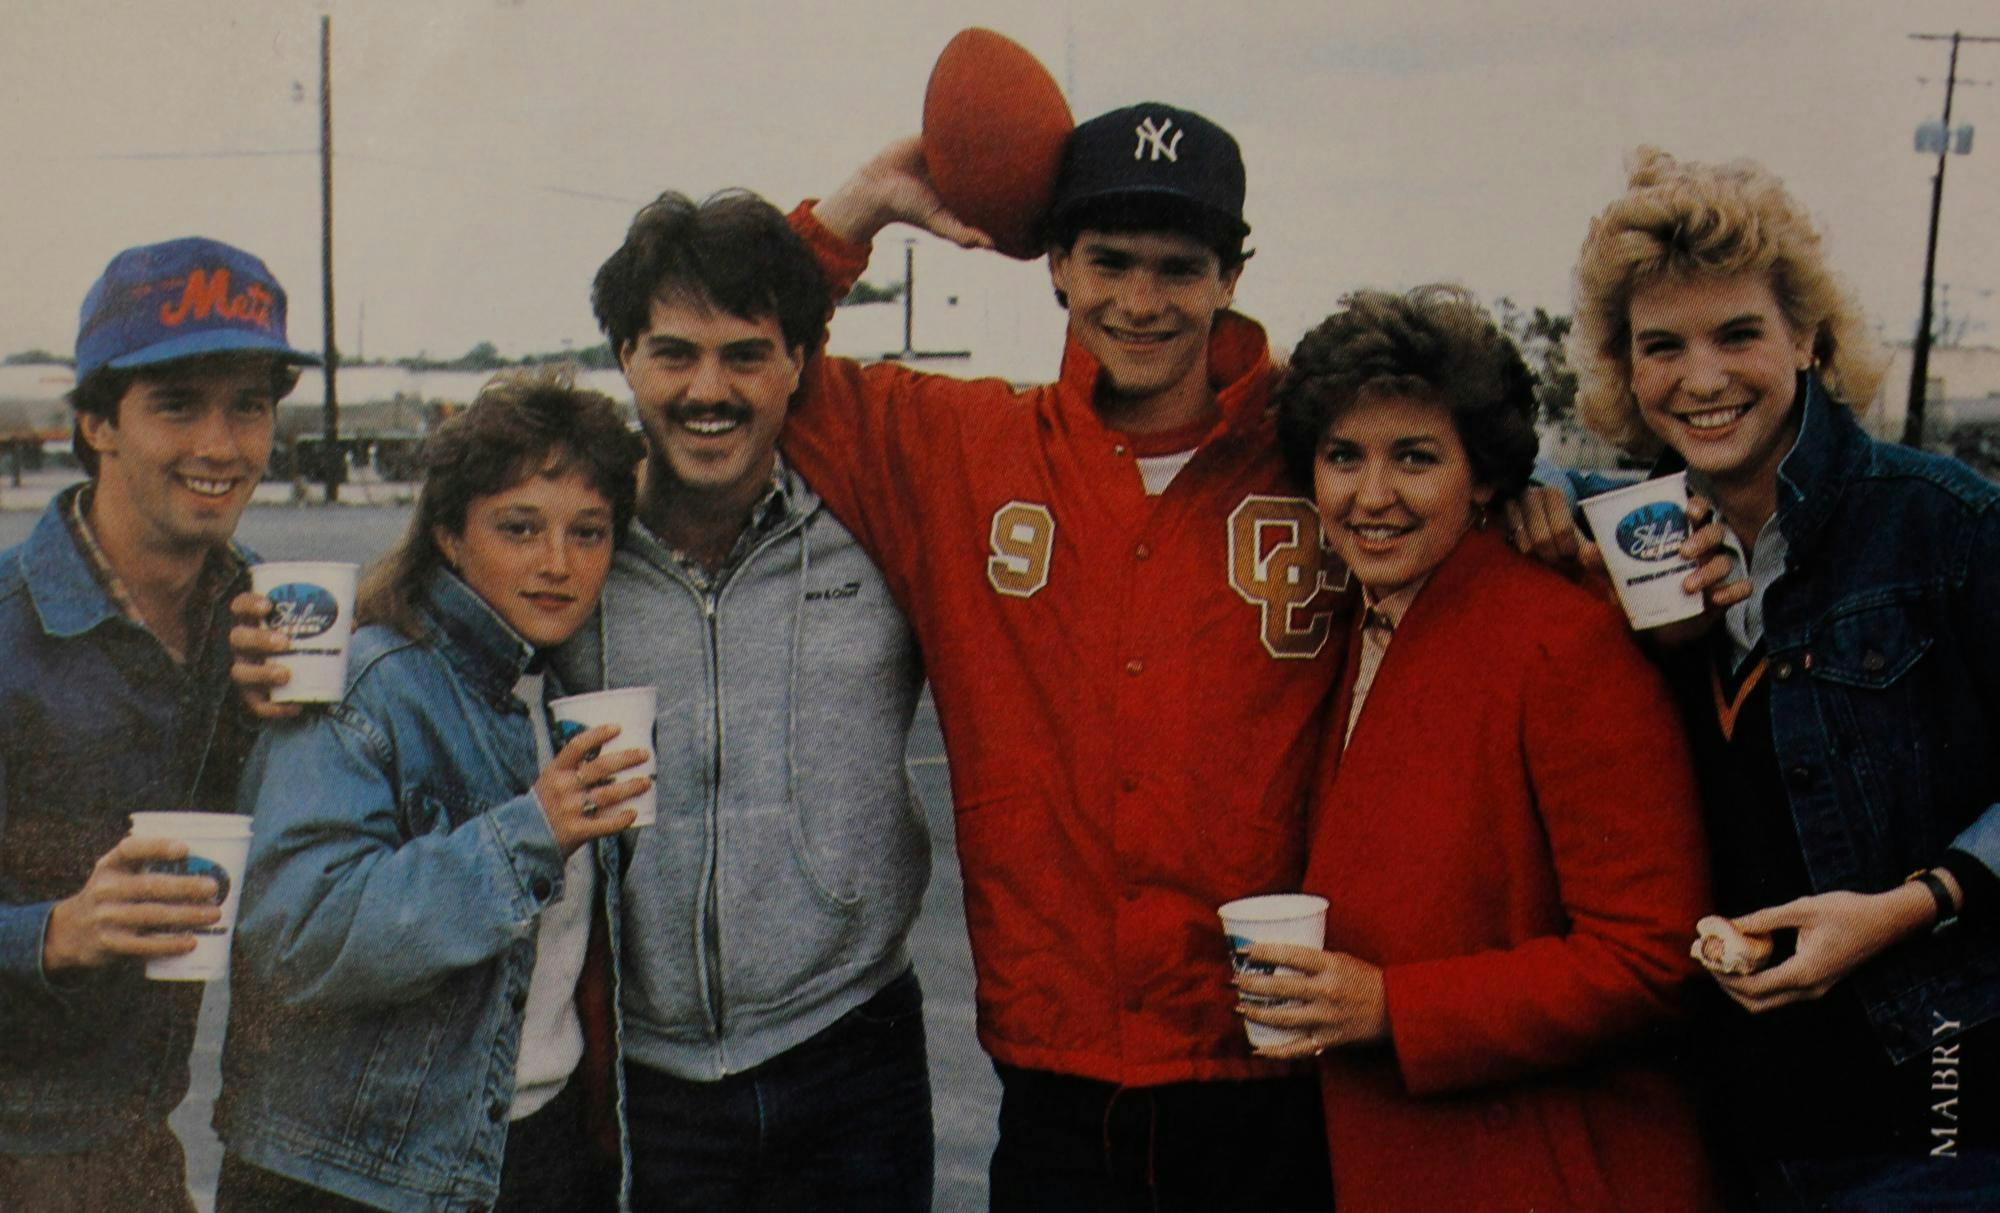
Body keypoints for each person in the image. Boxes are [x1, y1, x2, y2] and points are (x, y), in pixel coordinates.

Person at [780, 103, 1344, 1209]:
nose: (1140, 302)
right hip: (1052, 1075)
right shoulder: (961, 447)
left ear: (1231, 275)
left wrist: (1538, 509)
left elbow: (1463, 471)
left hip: (1278, 1067)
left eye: (1178, 268)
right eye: (1109, 263)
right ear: (1055, 269)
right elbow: (759, 369)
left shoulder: (1329, 451)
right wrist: (860, 205)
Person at [1569, 148, 2000, 1210]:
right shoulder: (1625, 540)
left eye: (1737, 333)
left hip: (1941, 1102)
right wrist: (1531, 511)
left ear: (1806, 338)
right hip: (1731, 1122)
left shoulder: (1941, 523)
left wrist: (1911, 904)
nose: (1700, 378)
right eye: (1659, 346)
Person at [1235, 286, 1716, 1212]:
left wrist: (1393, 1008)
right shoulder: (1350, 629)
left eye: (1415, 457)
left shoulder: (1562, 641)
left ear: (1486, 476)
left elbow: (1652, 956)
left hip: (1545, 1169)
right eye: (1343, 456)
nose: (1371, 496)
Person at [568, 189, 935, 1212]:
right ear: (624, 358)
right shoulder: (566, 550)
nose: (707, 389)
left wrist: (875, 191)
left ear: (799, 365)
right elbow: (422, 606)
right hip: (645, 1073)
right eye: (672, 352)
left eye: (745, 353)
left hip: (850, 1045)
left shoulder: (876, 528)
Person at [212, 370, 649, 1213]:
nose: (558, 563)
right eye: (519, 528)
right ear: (449, 534)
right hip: (360, 1174)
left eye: (588, 532)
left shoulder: (566, 687)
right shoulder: (366, 684)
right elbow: (296, 936)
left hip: (539, 1151)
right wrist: (532, 831)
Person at [0, 236, 317, 1211]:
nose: (220, 447)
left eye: (248, 406)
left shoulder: (261, 611)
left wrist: (281, 736)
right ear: (95, 420)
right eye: (177, 405)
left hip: (140, 1145)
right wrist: (50, 933)